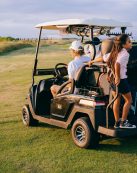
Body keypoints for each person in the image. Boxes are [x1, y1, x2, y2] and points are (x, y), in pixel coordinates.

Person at [88, 34, 136, 129]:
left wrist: (92, 61)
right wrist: (118, 76)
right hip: (121, 80)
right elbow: (117, 64)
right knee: (129, 100)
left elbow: (103, 58)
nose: (131, 44)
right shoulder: (125, 53)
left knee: (116, 100)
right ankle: (123, 122)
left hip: (113, 80)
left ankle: (117, 122)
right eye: (129, 42)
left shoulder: (114, 52)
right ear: (123, 44)